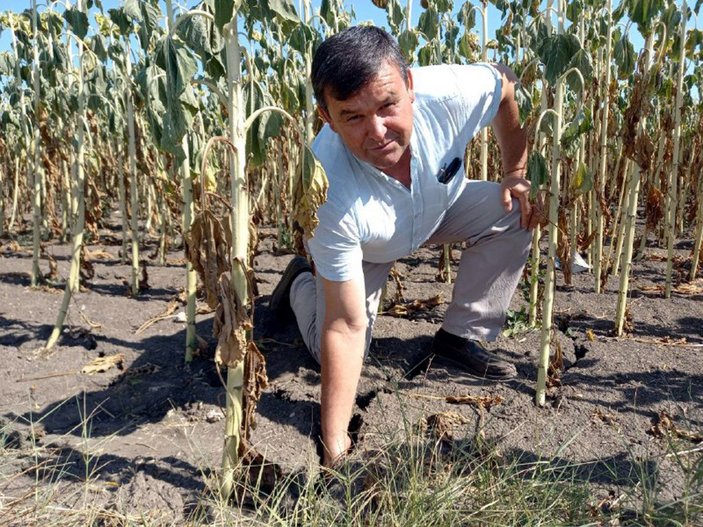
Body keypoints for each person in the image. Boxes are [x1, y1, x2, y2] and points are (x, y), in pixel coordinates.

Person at [270, 25, 537, 467]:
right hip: (368, 247)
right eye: (353, 117)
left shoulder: (450, 94)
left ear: (409, 85)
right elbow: (345, 327)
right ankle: (301, 282)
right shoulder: (327, 192)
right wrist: (334, 443)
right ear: (326, 117)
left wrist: (515, 171)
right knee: (328, 350)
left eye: (388, 105)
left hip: (438, 209)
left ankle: (459, 337)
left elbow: (504, 83)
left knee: (512, 208)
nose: (377, 131)